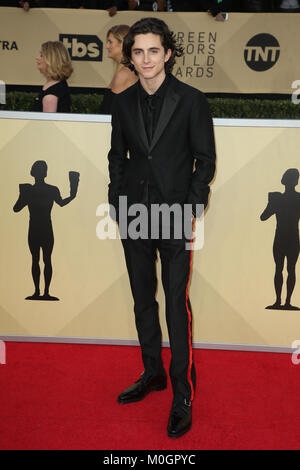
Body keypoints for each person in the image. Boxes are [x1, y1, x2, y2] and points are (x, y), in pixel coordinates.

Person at [107, 17, 216, 438]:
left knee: (175, 305)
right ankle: (152, 372)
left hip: (174, 214)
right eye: (138, 51)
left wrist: (191, 206)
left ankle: (182, 395)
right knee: (141, 299)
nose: (146, 59)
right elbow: (117, 156)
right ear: (130, 57)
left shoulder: (192, 101)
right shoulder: (123, 101)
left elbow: (204, 160)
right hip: (134, 212)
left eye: (154, 50)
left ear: (168, 53)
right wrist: (117, 199)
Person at [13, 161, 79, 300]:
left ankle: (41, 292)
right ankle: (42, 292)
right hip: (43, 228)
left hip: (38, 228)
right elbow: (17, 208)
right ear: (44, 173)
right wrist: (73, 193)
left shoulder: (32, 190)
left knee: (38, 259)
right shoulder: (48, 190)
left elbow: (16, 208)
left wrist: (22, 193)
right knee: (43, 259)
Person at [260, 169, 300, 310]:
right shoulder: (294, 198)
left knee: (282, 269)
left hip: (283, 237)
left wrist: (272, 203)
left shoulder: (279, 199)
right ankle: (284, 301)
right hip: (290, 237)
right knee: (289, 269)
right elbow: (263, 217)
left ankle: (281, 301)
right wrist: (272, 203)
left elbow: (263, 216)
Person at [99, 25, 138, 114]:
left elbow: (112, 113)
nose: (107, 46)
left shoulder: (124, 74)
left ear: (122, 44)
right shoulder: (126, 71)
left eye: (110, 42)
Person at [34, 41, 73, 113]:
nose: (37, 57)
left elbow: (47, 123)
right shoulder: (57, 84)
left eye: (42, 55)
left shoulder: (50, 96)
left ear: (51, 60)